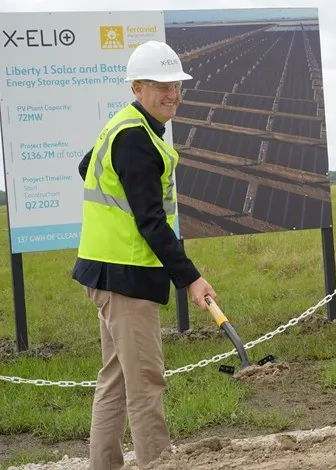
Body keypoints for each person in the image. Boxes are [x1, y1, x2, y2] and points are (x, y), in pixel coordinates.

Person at [73, 40, 217, 468]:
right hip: (126, 277)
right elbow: (151, 221)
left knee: (116, 381)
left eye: (176, 85)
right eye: (160, 85)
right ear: (137, 88)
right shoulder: (136, 138)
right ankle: (158, 463)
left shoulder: (125, 126)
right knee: (145, 384)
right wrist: (191, 277)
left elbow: (88, 167)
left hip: (107, 273)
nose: (171, 93)